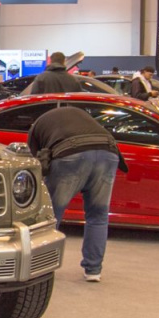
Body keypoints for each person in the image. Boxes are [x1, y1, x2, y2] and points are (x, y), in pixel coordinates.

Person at [28, 106, 125, 282]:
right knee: (98, 216)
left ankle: (42, 268)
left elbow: (36, 163)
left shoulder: (37, 127)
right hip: (108, 152)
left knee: (50, 216)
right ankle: (93, 270)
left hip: (70, 154)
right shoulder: (79, 114)